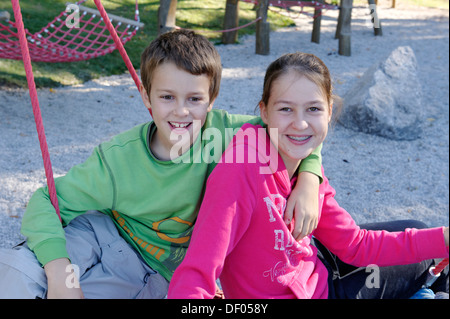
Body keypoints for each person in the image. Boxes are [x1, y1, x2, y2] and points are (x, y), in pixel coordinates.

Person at [0, 30, 323, 299]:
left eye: (194, 99)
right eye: (167, 97)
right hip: (103, 237)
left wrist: (309, 178)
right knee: (15, 274)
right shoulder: (119, 159)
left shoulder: (230, 135)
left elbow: (293, 131)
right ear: (146, 96)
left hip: (160, 275)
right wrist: (59, 273)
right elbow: (45, 201)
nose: (181, 112)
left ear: (211, 99)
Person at [167, 52, 449, 299]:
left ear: (329, 111)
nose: (300, 123)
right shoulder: (240, 170)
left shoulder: (302, 162)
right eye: (286, 109)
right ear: (264, 112)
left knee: (423, 230)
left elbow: (354, 245)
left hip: (317, 266)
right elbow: (198, 270)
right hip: (324, 289)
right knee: (432, 259)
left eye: (313, 109)